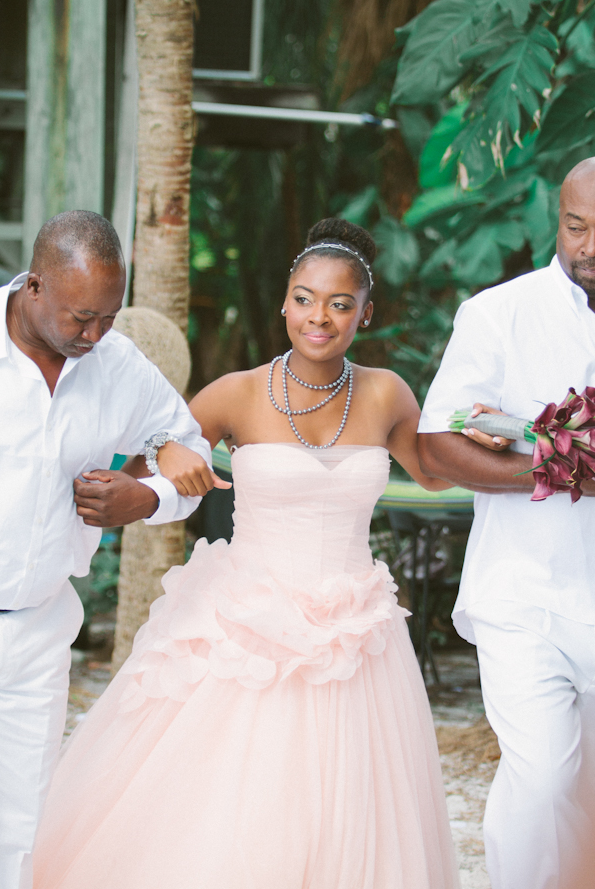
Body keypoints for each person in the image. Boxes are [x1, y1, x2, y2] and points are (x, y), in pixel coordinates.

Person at [33, 219, 461, 889]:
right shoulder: (236, 391)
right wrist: (143, 479)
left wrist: (505, 437)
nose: (318, 316)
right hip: (248, 621)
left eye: (340, 304)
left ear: (365, 313)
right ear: (284, 302)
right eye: (304, 298)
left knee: (349, 801)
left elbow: (434, 470)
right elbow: (157, 454)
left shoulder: (387, 394)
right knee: (235, 797)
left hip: (355, 630)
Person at [0, 210, 219, 889]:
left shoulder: (118, 366)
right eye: (79, 318)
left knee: (23, 826)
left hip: (38, 623)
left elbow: (192, 452)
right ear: (34, 286)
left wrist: (144, 498)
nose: (94, 334)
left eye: (108, 317)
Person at [417, 157, 595, 889]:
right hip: (527, 597)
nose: (587, 245)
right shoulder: (499, 313)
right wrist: (559, 465)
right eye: (576, 226)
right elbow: (439, 440)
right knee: (543, 778)